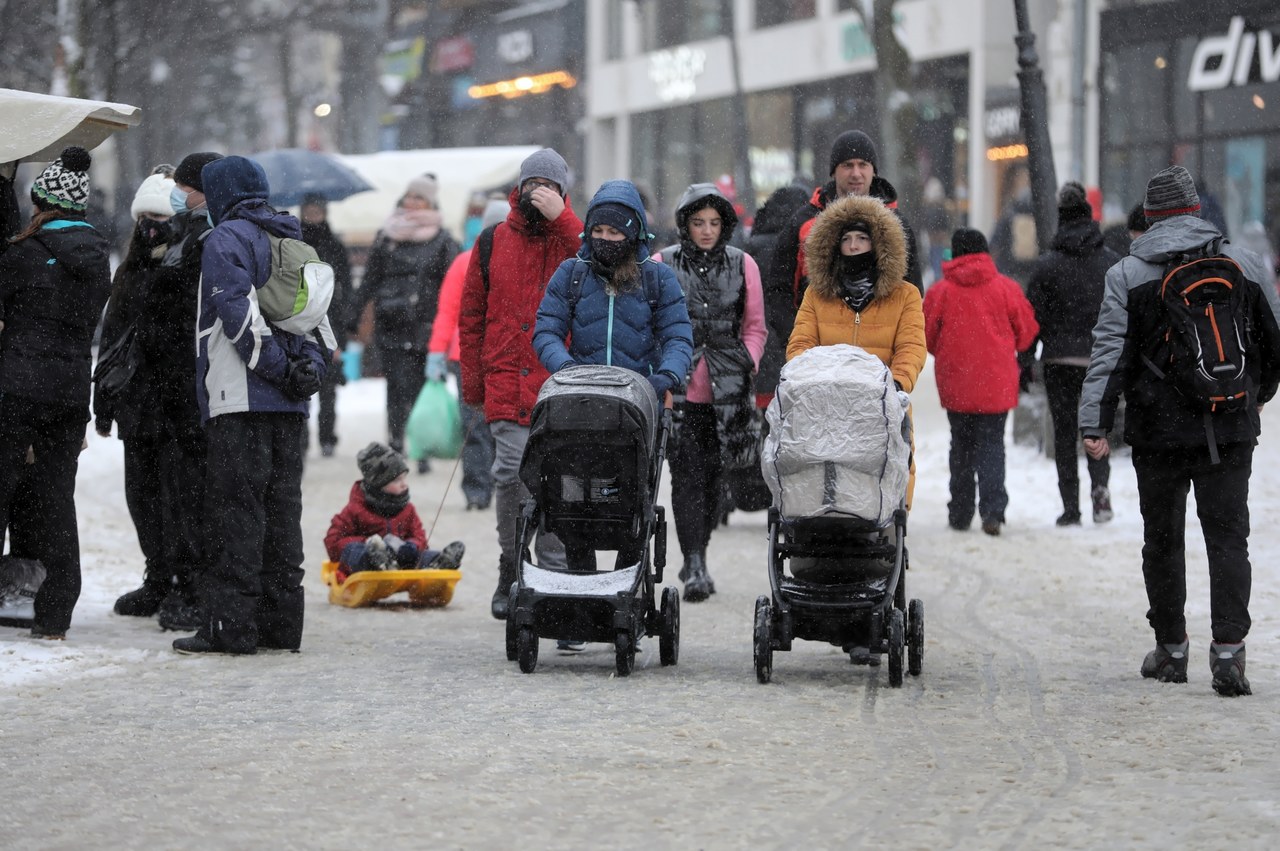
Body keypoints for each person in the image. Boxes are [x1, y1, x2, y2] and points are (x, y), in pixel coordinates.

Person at [1079, 165, 1280, 696]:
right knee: (1228, 539)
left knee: (1162, 541)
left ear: (1152, 215)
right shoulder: (1244, 264)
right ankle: (1230, 652)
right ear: (1194, 209)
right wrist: (1254, 394)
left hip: (1158, 431)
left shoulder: (1127, 275)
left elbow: (1109, 355)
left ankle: (1170, 650)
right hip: (1230, 427)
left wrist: (1094, 422)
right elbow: (1274, 342)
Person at [172, 155, 330, 656]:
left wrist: (275, 369)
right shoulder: (296, 240)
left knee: (235, 514)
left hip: (239, 399)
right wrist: (304, 373)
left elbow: (237, 317)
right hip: (290, 406)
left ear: (220, 195)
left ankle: (232, 628)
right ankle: (282, 625)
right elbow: (318, 325)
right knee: (282, 512)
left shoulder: (227, 239)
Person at [533, 179, 694, 581]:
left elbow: (677, 335)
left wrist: (666, 377)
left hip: (634, 412)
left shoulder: (657, 279)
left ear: (633, 232)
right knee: (576, 498)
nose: (606, 239)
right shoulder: (571, 275)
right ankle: (580, 582)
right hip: (581, 407)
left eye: (615, 231)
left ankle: (624, 582)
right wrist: (565, 368)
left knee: (630, 500)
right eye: (599, 231)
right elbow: (546, 330)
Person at [459, 148, 583, 619]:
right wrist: (475, 385)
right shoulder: (492, 241)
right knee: (510, 476)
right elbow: (471, 316)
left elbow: (602, 268)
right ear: (519, 187)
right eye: (533, 184)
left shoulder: (575, 235)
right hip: (507, 380)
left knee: (555, 483)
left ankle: (551, 574)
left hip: (559, 384)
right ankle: (511, 563)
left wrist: (565, 220)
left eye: (549, 186)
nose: (539, 193)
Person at [106, 152, 222, 629]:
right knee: (143, 492)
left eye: (161, 216)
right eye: (146, 218)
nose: (153, 226)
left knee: (183, 494)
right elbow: (116, 330)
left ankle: (186, 582)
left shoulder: (190, 258)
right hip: (139, 399)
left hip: (179, 398)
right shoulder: (131, 267)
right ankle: (157, 575)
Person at [0, 146, 111, 639]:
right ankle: (54, 613)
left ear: (42, 202)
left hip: (16, 388)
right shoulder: (96, 258)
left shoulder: (21, 254)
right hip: (69, 395)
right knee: (55, 500)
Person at [652, 183, 764, 601]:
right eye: (698, 222)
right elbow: (652, 325)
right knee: (685, 477)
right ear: (685, 224)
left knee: (718, 478)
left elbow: (755, 326)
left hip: (728, 392)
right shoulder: (662, 263)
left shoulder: (743, 265)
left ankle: (701, 553)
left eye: (714, 223)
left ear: (725, 225)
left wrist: (745, 361)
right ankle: (693, 560)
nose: (706, 230)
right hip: (680, 393)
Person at [766, 131, 922, 418]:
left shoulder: (898, 226)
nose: (856, 173)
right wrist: (803, 349)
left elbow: (912, 303)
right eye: (847, 165)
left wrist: (896, 379)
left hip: (882, 387)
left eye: (863, 165)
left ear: (874, 170)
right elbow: (778, 289)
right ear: (833, 171)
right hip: (818, 377)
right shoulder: (802, 222)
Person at [786, 193, 927, 506]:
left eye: (862, 238)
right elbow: (801, 344)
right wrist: (813, 379)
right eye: (846, 239)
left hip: (882, 406)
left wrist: (897, 382)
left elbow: (912, 346)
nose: (853, 246)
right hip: (824, 407)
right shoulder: (817, 295)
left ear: (878, 243)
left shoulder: (905, 296)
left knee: (887, 481)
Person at [923, 227, 1039, 535]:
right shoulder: (1006, 288)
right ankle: (992, 511)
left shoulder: (940, 292)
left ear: (954, 254)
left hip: (956, 383)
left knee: (960, 446)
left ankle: (960, 512)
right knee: (991, 445)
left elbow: (927, 338)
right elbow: (1027, 333)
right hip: (996, 382)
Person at [1026, 182, 1122, 527]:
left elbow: (1031, 318)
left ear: (1061, 218)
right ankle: (1100, 492)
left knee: (1065, 434)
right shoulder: (1111, 263)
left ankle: (1071, 507)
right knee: (1096, 429)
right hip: (1099, 360)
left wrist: (1024, 361)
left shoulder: (1047, 265)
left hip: (1059, 360)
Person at [355, 173, 458, 471]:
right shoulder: (387, 235)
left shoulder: (442, 240)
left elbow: (450, 286)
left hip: (425, 324)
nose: (412, 203)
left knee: (420, 387)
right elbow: (371, 279)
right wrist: (353, 314)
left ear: (430, 202)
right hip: (391, 321)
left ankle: (422, 443)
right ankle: (397, 443)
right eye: (409, 197)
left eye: (419, 198)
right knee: (396, 387)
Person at [426, 198, 507, 511]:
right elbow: (447, 311)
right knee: (473, 425)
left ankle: (498, 485)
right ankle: (477, 489)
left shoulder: (518, 264)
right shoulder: (464, 263)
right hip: (468, 357)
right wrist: (436, 351)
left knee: (498, 426)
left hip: (500, 356)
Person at [324, 442, 465, 583]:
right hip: (365, 564)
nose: (404, 484)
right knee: (354, 550)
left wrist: (411, 546)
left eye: (404, 478)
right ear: (379, 485)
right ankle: (378, 560)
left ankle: (438, 563)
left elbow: (419, 535)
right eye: (397, 480)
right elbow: (333, 540)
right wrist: (367, 543)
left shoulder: (407, 509)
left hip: (402, 559)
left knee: (421, 555)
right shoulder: (356, 509)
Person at [299, 194, 353, 458]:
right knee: (301, 381)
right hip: (300, 318)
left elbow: (346, 286)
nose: (313, 215)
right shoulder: (293, 243)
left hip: (331, 319)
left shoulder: (334, 245)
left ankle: (327, 437)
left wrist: (345, 326)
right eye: (309, 210)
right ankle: (302, 437)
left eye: (317, 210)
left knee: (329, 386)